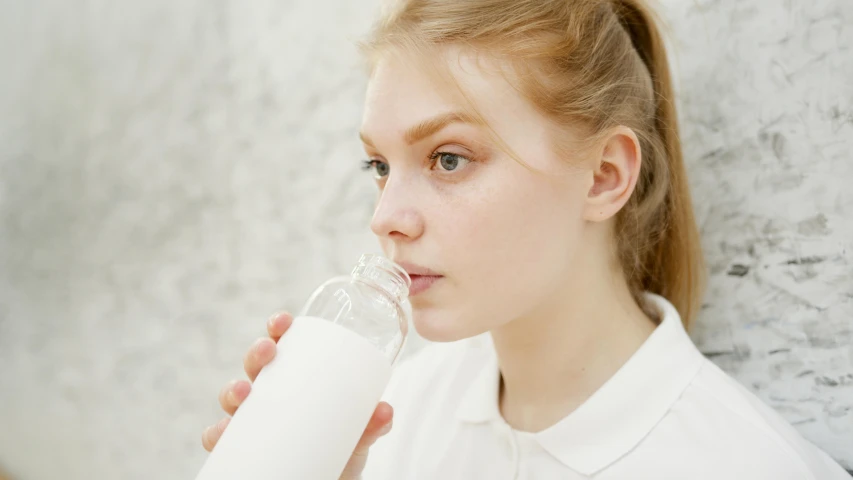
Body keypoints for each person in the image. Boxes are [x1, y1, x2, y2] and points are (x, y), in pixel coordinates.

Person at [201, 0, 851, 478]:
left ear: (602, 176)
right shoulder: (384, 424)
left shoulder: (748, 465)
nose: (386, 217)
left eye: (447, 159)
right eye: (379, 166)